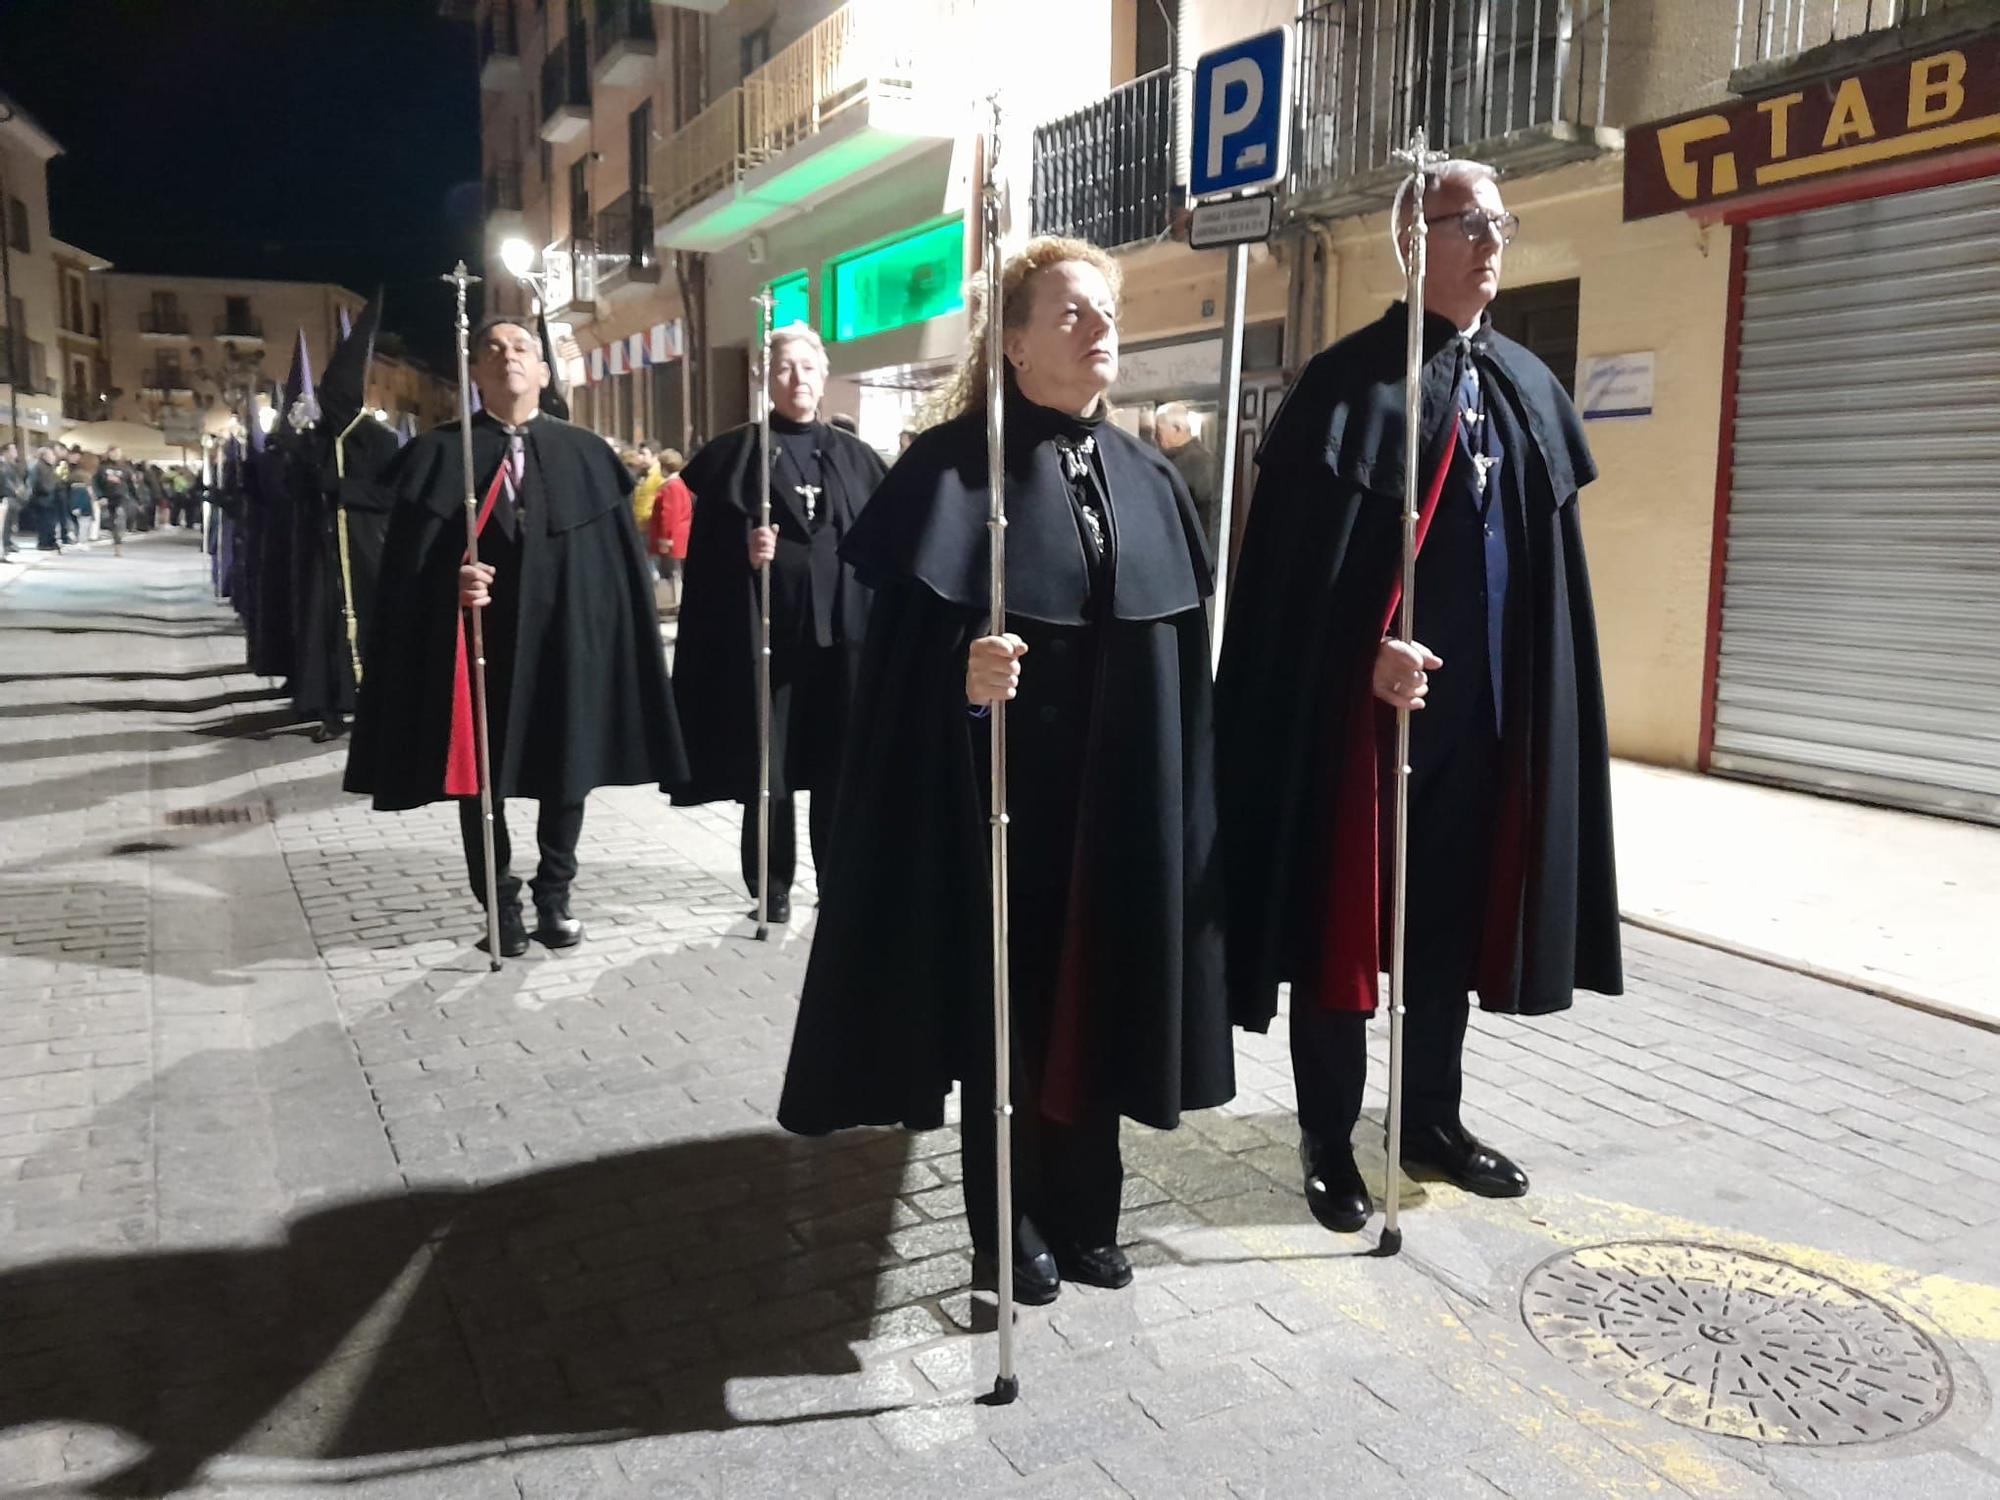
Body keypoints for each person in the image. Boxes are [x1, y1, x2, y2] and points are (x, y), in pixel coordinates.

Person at [777, 238, 1235, 1305]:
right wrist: (961, 673)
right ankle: (1006, 1222)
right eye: (1068, 312)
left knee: (1109, 994)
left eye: (1104, 310)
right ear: (1015, 345)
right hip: (998, 807)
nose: (1097, 327)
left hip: (1119, 801)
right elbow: (889, 679)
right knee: (1010, 1013)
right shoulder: (947, 475)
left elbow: (1174, 661)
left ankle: (1090, 1213)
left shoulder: (1152, 479)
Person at [1216, 159, 1621, 1235]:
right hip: (1355, 733)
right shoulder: (1344, 386)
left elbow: (1544, 580)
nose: (1490, 241)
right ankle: (1324, 1141)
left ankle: (1428, 1121)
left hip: (1487, 727)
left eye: (1500, 223)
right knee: (1339, 933)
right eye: (1464, 223)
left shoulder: (1529, 387)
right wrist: (1362, 652)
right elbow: (1291, 589)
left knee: (1448, 927)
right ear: (1410, 239)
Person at [345, 315, 687, 957]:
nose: (508, 358)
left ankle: (555, 897)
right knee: (479, 779)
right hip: (477, 650)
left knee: (567, 770)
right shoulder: (439, 454)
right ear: (475, 372)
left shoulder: (586, 454)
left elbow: (615, 576)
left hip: (564, 644)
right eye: (493, 350)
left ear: (543, 371)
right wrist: (450, 583)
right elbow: (399, 576)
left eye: (521, 348)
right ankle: (499, 905)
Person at [673, 323, 888, 924]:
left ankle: (838, 878)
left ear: (825, 374)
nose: (798, 379)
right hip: (767, 641)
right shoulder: (735, 455)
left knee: (836, 767)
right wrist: (743, 553)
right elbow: (703, 559)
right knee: (770, 770)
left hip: (841, 640)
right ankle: (771, 885)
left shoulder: (857, 458)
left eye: (808, 367)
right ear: (767, 378)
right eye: (785, 368)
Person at [1153, 402, 1221, 555]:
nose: (1155, 438)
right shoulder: (1170, 460)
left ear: (1177, 428)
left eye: (1158, 432)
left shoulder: (1199, 462)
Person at [647, 447, 691, 610]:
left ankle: (672, 603)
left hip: (671, 538)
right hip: (678, 537)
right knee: (675, 572)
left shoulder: (671, 487)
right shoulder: (678, 484)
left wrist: (665, 538)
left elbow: (669, 514)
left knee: (671, 573)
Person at [0, 440, 22, 560]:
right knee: (3, 524)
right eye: (13, 450)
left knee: (7, 523)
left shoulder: (11, 465)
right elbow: (5, 481)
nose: (15, 452)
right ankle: (4, 546)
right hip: (4, 497)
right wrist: (14, 490)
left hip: (9, 497)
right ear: (5, 452)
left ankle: (6, 543)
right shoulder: (2, 465)